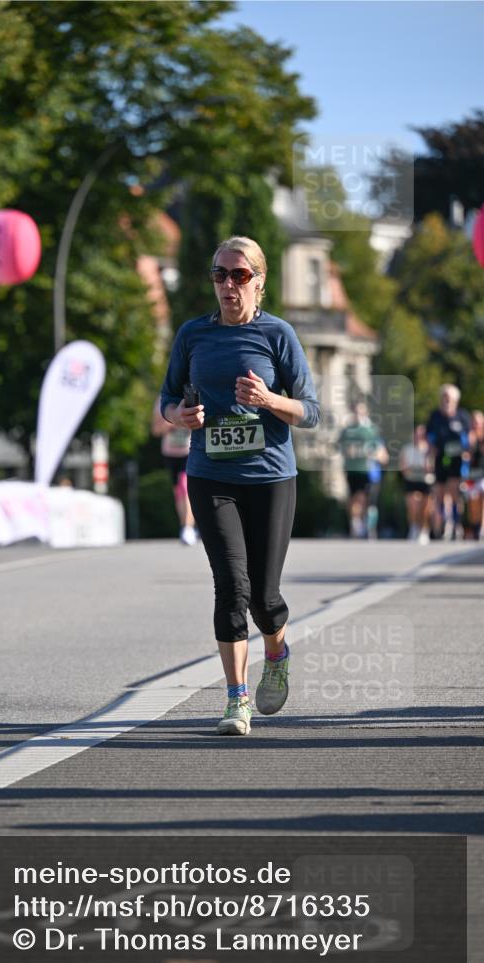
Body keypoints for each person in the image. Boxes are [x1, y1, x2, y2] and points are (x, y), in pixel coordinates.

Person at [159, 235, 320, 736]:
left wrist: (270, 399)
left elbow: (310, 411)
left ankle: (276, 652)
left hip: (271, 477)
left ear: (260, 282)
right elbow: (165, 399)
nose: (229, 285)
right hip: (211, 476)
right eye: (220, 274)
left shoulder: (278, 335)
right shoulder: (192, 335)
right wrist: (179, 416)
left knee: (264, 599)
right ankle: (236, 698)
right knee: (231, 586)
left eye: (240, 275)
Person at [337, 401, 389, 540]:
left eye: (361, 411)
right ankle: (356, 523)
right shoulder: (347, 430)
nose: (358, 414)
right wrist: (349, 452)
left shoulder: (372, 429)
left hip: (368, 471)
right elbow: (340, 448)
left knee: (366, 499)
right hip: (352, 470)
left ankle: (368, 527)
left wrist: (375, 454)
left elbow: (381, 452)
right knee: (354, 498)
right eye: (356, 411)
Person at [426, 384, 471, 540]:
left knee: (454, 492)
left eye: (449, 398)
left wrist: (467, 452)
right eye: (443, 397)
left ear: (455, 400)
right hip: (440, 459)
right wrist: (430, 457)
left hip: (456, 460)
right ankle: (441, 524)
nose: (446, 401)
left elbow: (469, 437)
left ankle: (455, 523)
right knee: (439, 492)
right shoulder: (435, 417)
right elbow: (430, 438)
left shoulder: (462, 416)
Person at [151, 395, 196, 545]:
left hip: (188, 451)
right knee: (178, 491)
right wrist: (172, 423)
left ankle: (188, 528)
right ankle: (185, 525)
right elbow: (156, 430)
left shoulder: (194, 396)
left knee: (185, 487)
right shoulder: (162, 400)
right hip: (170, 453)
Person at [399, 424, 435, 544]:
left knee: (425, 508)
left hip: (426, 481)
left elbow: (432, 467)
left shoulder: (430, 449)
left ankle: (424, 530)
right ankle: (414, 527)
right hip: (412, 481)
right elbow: (403, 467)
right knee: (413, 504)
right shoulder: (407, 449)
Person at [464, 410, 484, 540]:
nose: (476, 425)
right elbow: (466, 457)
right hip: (471, 476)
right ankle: (476, 527)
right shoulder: (468, 438)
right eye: (474, 423)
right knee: (473, 501)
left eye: (478, 423)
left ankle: (483, 528)